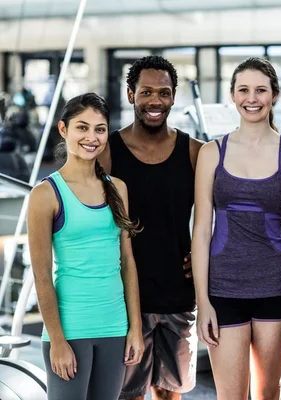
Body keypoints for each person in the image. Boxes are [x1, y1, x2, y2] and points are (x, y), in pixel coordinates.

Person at [192, 57, 281, 399]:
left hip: (275, 287)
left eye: (260, 90)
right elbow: (200, 232)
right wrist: (202, 302)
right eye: (243, 90)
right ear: (232, 95)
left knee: (269, 393)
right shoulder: (212, 153)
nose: (251, 98)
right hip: (223, 291)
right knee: (231, 395)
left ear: (274, 96)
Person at [97, 55, 203, 400]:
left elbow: (225, 209)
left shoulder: (193, 151)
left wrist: (205, 257)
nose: (155, 101)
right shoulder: (107, 152)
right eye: (146, 92)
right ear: (131, 95)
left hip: (179, 292)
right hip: (127, 295)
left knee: (171, 393)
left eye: (164, 92)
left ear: (174, 97)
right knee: (129, 393)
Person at [27, 93, 144, 400]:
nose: (91, 137)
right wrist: (57, 341)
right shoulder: (45, 194)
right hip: (71, 327)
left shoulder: (118, 188)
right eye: (82, 127)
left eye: (100, 129)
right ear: (64, 130)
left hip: (115, 326)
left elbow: (127, 263)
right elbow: (41, 276)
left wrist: (135, 328)